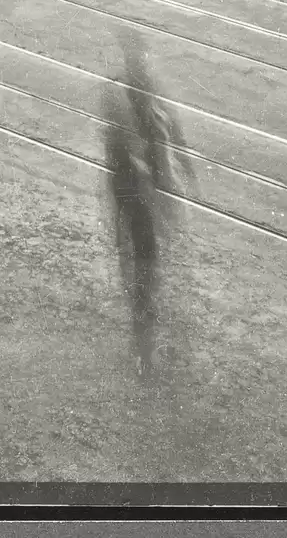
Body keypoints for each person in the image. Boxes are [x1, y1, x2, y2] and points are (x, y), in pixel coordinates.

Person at [101, 30, 190, 369]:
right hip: (136, 194)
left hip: (144, 190)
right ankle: (145, 348)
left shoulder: (140, 88)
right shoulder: (123, 94)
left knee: (145, 261)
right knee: (143, 263)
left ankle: (147, 336)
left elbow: (168, 125)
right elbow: (122, 146)